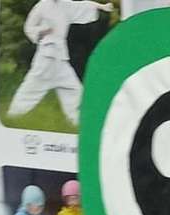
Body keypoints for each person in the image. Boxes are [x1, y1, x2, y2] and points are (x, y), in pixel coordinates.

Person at [8, 0, 113, 129]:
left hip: (61, 59)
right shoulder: (42, 6)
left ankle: (79, 123)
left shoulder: (66, 5)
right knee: (31, 88)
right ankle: (14, 116)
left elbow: (82, 6)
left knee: (74, 90)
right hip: (46, 57)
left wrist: (101, 6)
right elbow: (29, 27)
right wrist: (42, 30)